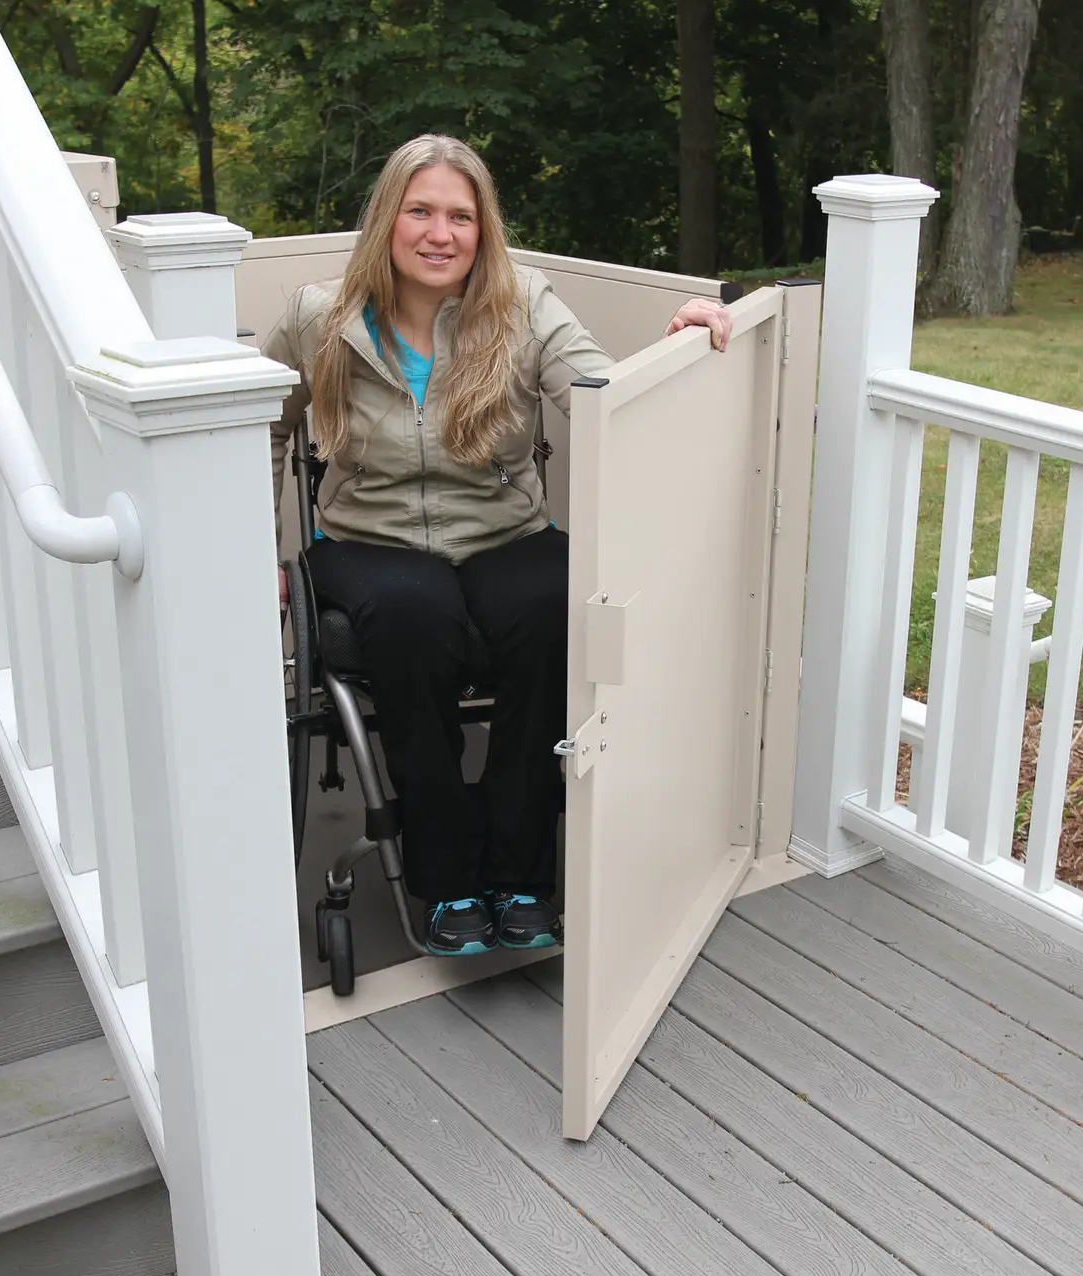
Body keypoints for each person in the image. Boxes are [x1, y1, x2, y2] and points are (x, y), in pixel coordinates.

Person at [262, 134, 732, 956]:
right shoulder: (318, 318)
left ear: (483, 231)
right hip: (368, 538)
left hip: (502, 530)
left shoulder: (524, 309)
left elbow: (606, 394)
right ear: (386, 219)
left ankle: (519, 872)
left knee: (554, 606)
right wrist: (251, 552)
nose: (440, 233)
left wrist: (679, 341)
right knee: (414, 618)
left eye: (460, 216)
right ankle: (445, 879)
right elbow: (256, 430)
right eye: (421, 211)